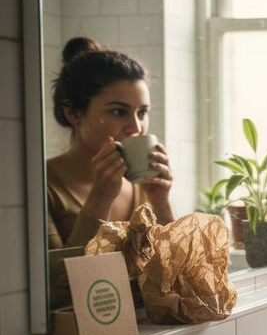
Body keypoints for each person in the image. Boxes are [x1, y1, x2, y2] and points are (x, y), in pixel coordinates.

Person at [47, 37, 174, 249]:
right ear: (74, 114)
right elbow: (60, 281)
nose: (136, 127)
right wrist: (100, 199)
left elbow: (180, 274)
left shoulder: (143, 187)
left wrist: (162, 204)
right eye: (119, 111)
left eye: (142, 113)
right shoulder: (43, 186)